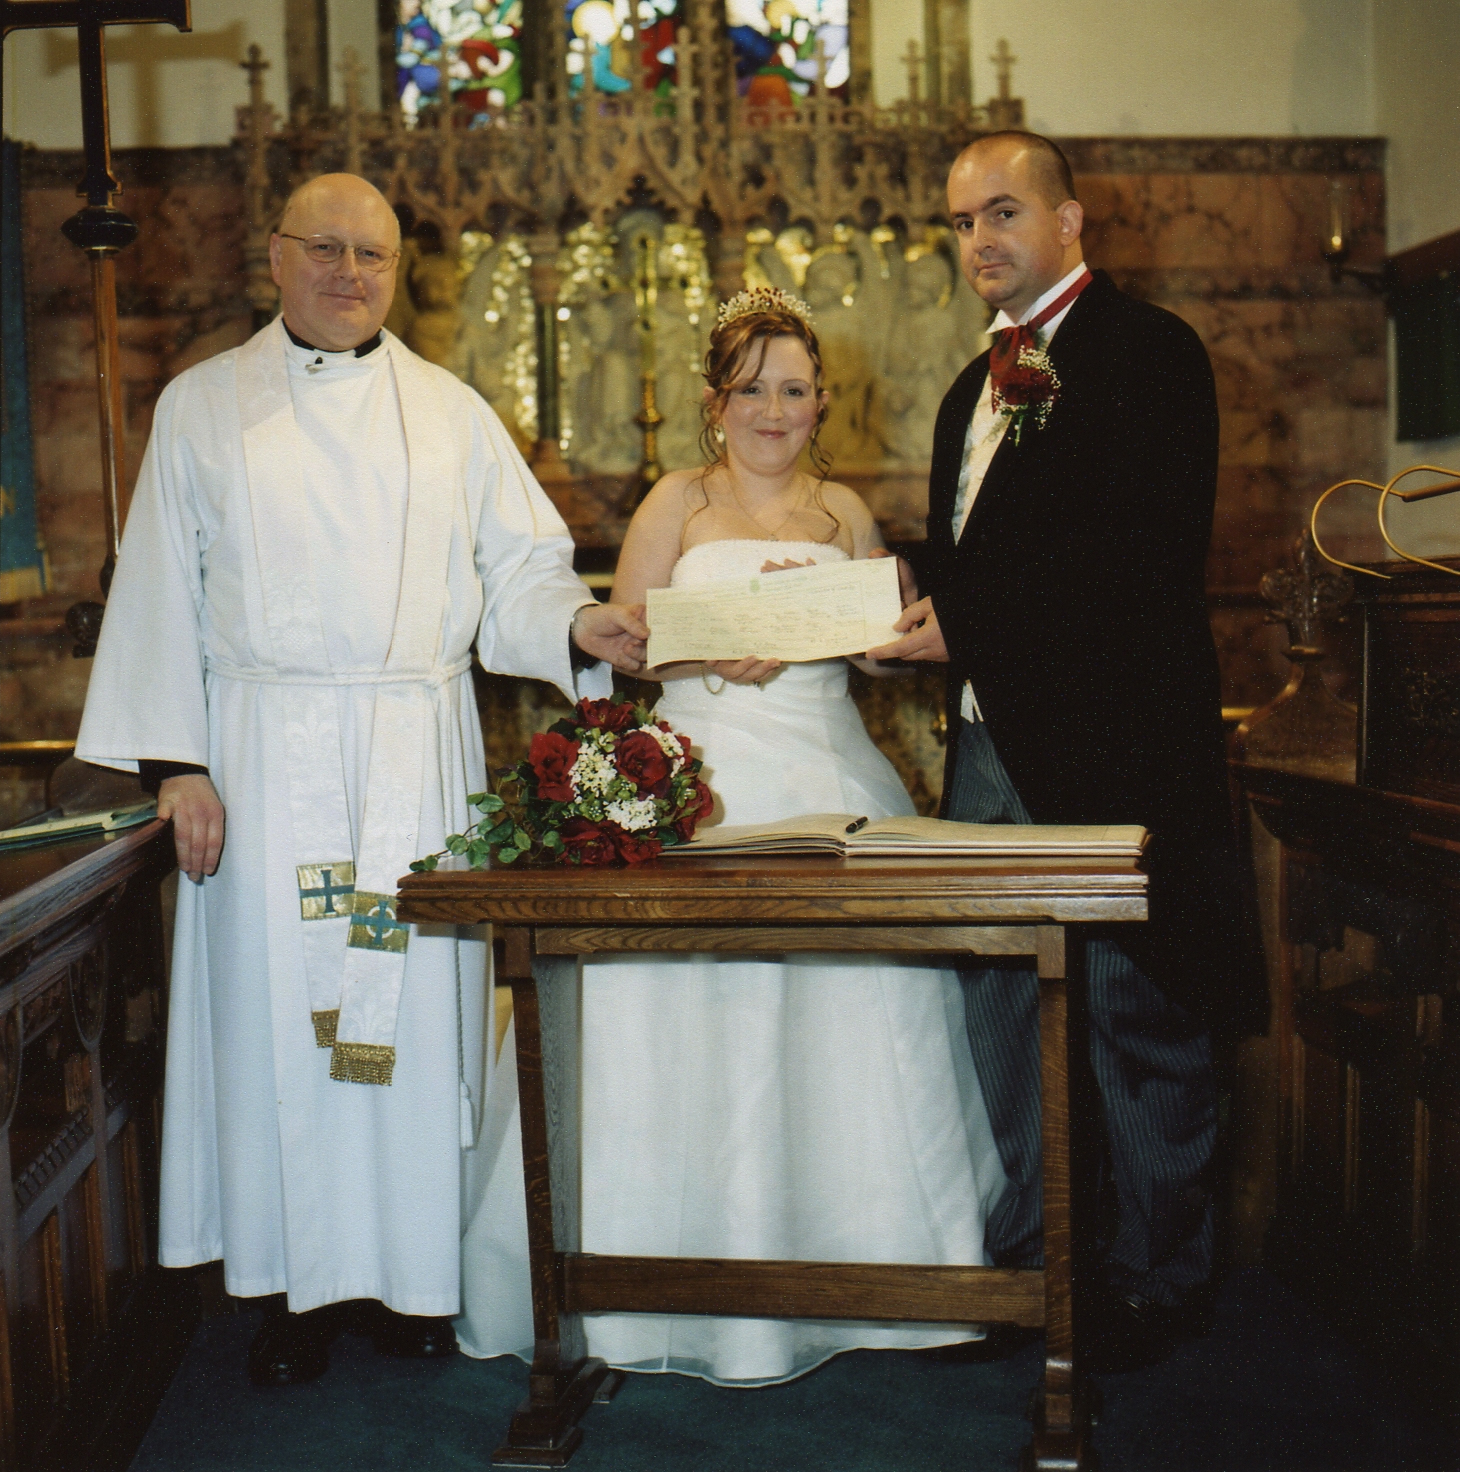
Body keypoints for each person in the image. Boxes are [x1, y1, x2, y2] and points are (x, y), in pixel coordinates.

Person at [75, 173, 648, 1386]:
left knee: (410, 1018)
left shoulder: (449, 413)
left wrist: (578, 625)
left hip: (409, 751)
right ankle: (294, 1283)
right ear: (273, 258)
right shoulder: (200, 408)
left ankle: (414, 1279)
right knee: (287, 1025)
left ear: (401, 270)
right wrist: (179, 765)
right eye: (324, 248)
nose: (347, 272)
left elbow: (521, 569)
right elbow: (158, 595)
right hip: (264, 765)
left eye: (372, 254)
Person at [456, 287, 1008, 1384]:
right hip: (696, 772)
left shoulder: (843, 512)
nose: (773, 407)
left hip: (825, 763)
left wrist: (880, 626)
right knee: (679, 1009)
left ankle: (876, 1267)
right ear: (716, 402)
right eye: (751, 385)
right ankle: (639, 1279)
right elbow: (623, 637)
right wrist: (701, 652)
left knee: (850, 1004)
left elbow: (867, 648)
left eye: (793, 387)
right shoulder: (676, 499)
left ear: (819, 403)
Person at [870, 132, 1266, 1371]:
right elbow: (991, 559)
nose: (978, 240)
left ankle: (1157, 1275)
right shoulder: (967, 388)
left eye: (1001, 213)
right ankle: (1032, 1268)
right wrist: (887, 606)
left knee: (1130, 1009)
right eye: (958, 222)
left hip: (1115, 747)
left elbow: (1141, 553)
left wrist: (966, 620)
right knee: (995, 1003)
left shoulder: (1149, 353)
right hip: (990, 749)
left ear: (1069, 218)